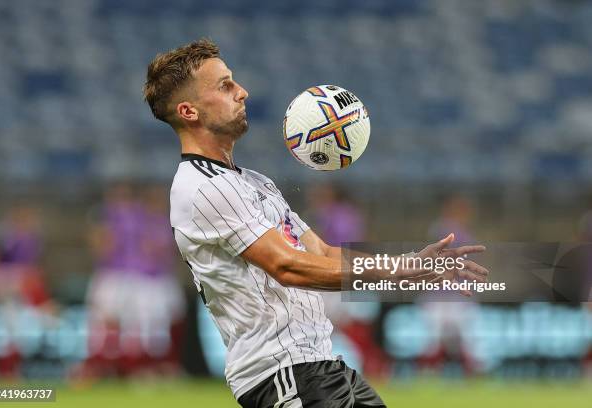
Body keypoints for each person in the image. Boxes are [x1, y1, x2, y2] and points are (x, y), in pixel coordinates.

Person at [143, 39, 487, 407]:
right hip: (282, 373)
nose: (242, 92)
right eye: (225, 85)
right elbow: (287, 266)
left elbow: (319, 251)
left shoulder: (254, 181)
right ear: (189, 111)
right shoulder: (202, 187)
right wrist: (397, 274)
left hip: (320, 362)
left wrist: (405, 264)